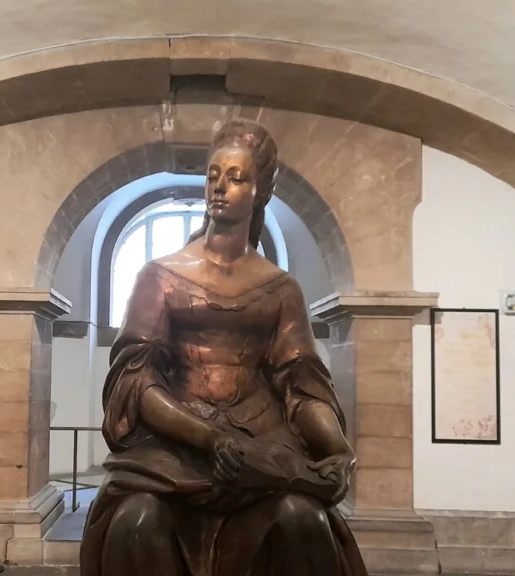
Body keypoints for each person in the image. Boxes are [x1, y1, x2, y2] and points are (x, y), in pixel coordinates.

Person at [79, 119, 368, 576]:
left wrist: (338, 448)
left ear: (259, 192)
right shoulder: (161, 275)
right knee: (137, 521)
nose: (219, 187)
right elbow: (136, 381)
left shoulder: (281, 288)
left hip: (261, 446)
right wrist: (208, 437)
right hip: (174, 446)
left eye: (236, 178)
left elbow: (302, 385)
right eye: (213, 175)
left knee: (303, 520)